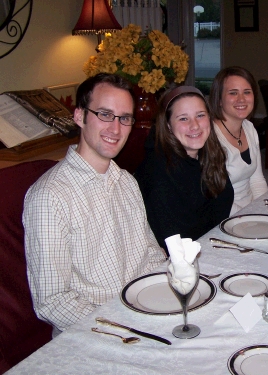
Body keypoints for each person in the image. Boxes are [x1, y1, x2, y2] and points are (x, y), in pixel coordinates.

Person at [23, 73, 166, 335]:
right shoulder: (50, 196)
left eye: (124, 118)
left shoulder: (126, 182)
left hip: (142, 316)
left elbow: (150, 255)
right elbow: (52, 301)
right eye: (104, 114)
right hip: (91, 333)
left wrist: (167, 291)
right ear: (79, 116)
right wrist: (123, 327)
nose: (115, 129)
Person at [135, 86, 233, 251]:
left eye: (200, 115)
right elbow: (173, 243)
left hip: (211, 246)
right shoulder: (157, 172)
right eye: (183, 119)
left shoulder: (210, 154)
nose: (194, 126)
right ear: (167, 125)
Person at [209, 66, 268, 215]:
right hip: (225, 215)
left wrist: (264, 209)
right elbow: (218, 199)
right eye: (233, 93)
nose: (241, 99)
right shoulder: (210, 137)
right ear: (220, 100)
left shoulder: (249, 128)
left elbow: (257, 180)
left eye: (247, 92)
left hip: (251, 211)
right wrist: (248, 217)